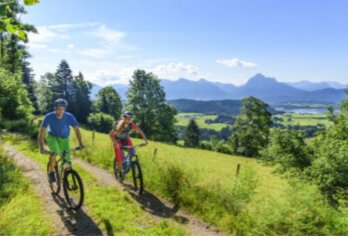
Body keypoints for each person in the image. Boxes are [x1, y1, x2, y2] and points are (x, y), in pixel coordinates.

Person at [38, 98, 84, 182]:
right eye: (59, 109)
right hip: (52, 136)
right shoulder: (48, 117)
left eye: (63, 109)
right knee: (54, 152)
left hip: (64, 138)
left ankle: (64, 176)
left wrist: (81, 143)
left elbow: (77, 130)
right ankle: (51, 172)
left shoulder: (69, 117)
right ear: (55, 108)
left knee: (66, 160)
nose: (61, 111)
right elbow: (41, 133)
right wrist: (41, 147)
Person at [109, 111, 148, 178]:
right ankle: (120, 171)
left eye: (130, 118)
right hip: (117, 140)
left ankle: (127, 164)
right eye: (128, 118)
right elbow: (110, 135)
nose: (130, 119)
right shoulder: (118, 125)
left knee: (132, 152)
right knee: (120, 158)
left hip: (125, 139)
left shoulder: (131, 125)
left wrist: (145, 140)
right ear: (124, 118)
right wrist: (116, 144)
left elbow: (139, 131)